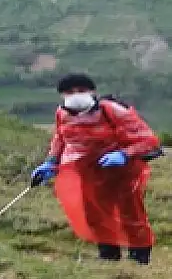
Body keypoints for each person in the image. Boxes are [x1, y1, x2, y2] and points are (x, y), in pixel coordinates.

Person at [30, 73, 162, 265]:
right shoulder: (62, 113)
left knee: (130, 213)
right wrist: (51, 161)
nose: (75, 95)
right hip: (90, 172)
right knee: (96, 214)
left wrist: (124, 154)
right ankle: (109, 257)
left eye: (81, 90)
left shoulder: (112, 110)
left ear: (92, 92)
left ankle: (139, 258)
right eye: (69, 92)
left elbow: (148, 140)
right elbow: (60, 138)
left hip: (123, 171)